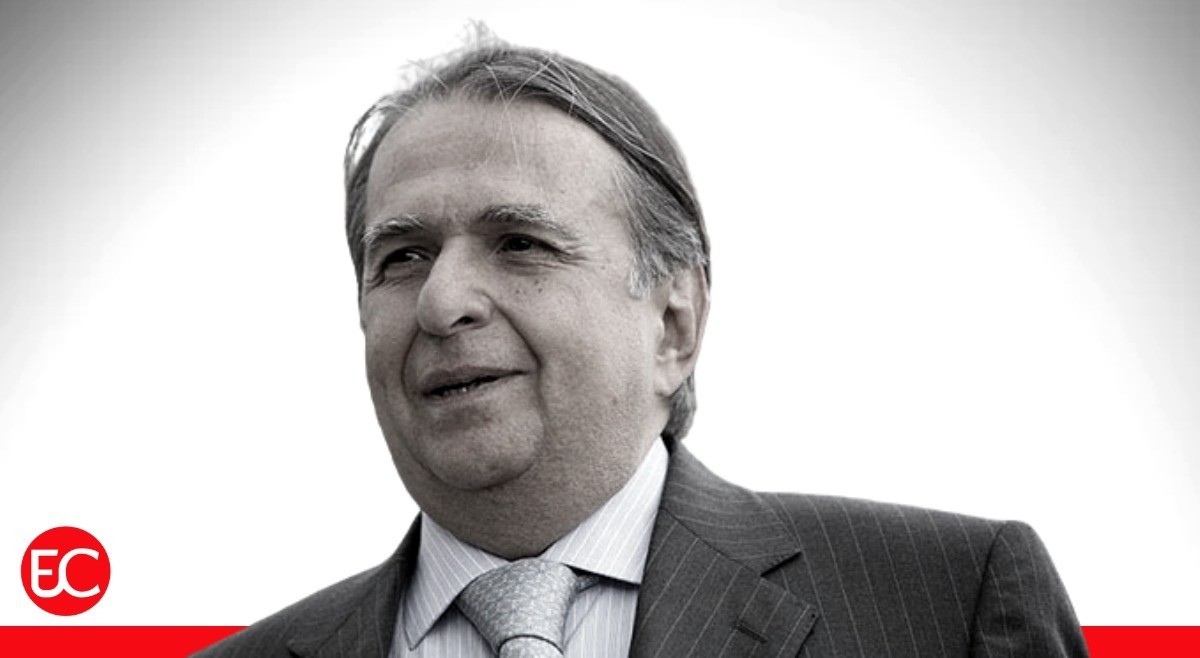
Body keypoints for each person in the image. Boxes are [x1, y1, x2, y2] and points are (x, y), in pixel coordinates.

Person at [197, 37, 1088, 657]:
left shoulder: (946, 610)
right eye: (402, 257)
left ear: (674, 324)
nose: (441, 302)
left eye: (520, 243)